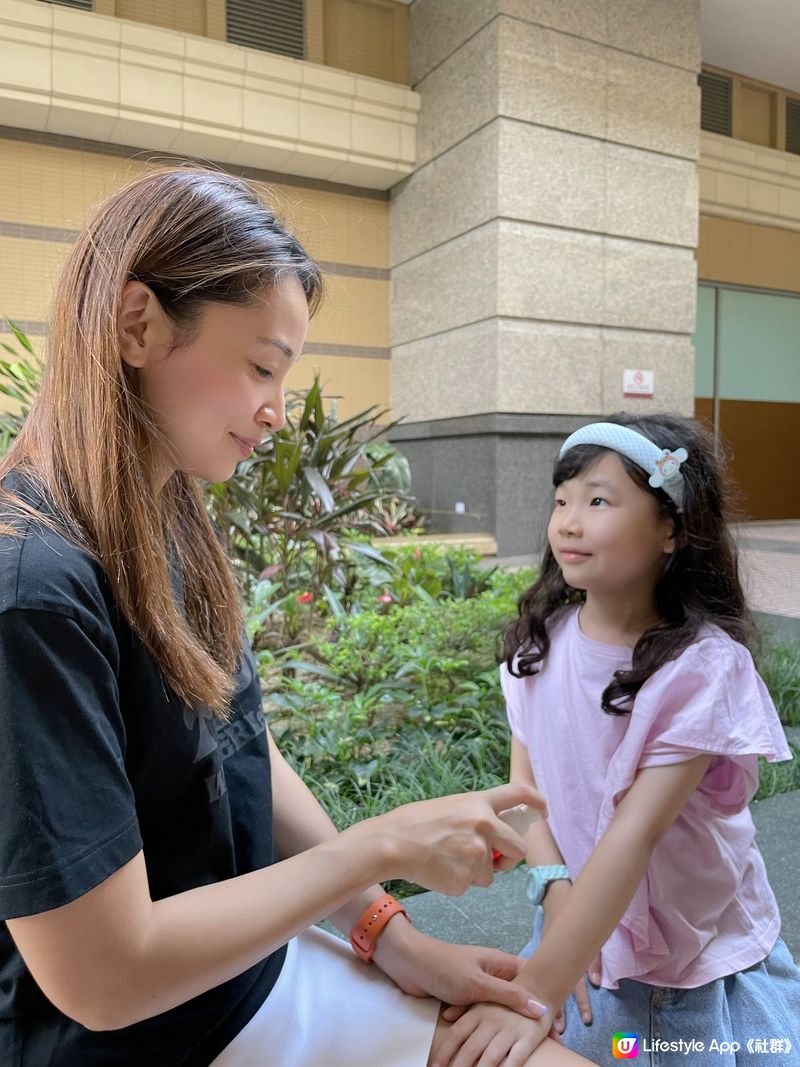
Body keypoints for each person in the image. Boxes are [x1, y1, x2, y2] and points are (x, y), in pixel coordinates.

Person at [0, 166, 595, 1067]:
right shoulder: (33, 589)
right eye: (261, 366)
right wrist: (378, 847)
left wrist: (393, 937)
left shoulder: (163, 513)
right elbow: (104, 978)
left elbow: (240, 745)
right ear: (136, 324)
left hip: (251, 980)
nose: (277, 410)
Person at [432, 414, 800, 1067]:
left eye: (598, 500)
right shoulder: (542, 643)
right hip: (581, 923)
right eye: (562, 500)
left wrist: (542, 983)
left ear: (671, 528)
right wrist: (556, 892)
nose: (568, 520)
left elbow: (635, 834)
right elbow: (528, 793)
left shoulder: (700, 669)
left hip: (691, 958)